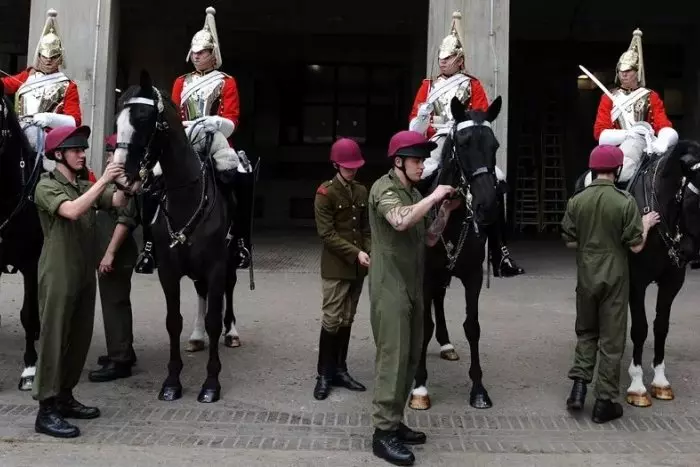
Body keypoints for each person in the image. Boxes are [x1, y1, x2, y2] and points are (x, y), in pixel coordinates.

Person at [135, 6, 256, 274]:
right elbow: (174, 111)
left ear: (213, 55)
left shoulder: (226, 81)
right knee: (151, 179)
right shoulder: (181, 81)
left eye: (202, 53)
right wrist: (184, 127)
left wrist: (215, 123)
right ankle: (149, 246)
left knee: (237, 176)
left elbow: (232, 119)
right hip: (186, 136)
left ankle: (239, 240)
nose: (196, 57)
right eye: (194, 53)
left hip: (215, 136)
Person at [368, 130, 462, 465]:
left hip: (412, 287)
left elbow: (430, 239)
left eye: (424, 160)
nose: (423, 166)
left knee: (409, 359)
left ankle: (394, 423)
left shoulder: (412, 191)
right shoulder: (385, 189)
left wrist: (445, 211)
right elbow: (400, 221)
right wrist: (434, 195)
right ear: (399, 162)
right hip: (389, 288)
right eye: (417, 160)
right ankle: (382, 434)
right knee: (392, 360)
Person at [408, 10, 523, 278]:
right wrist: (424, 114)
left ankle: (500, 252)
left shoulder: (473, 85)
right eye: (441, 58)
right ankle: (413, 237)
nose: (442, 62)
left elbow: (481, 118)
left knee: (497, 181)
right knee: (419, 176)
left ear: (460, 60)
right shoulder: (427, 87)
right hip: (437, 142)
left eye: (448, 58)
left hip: (466, 141)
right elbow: (414, 126)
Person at [32, 125, 127, 438]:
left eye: (83, 149)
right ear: (58, 154)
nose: (83, 154)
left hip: (84, 271)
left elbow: (117, 203)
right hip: (58, 272)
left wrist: (130, 182)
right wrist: (103, 180)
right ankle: (46, 409)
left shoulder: (84, 183)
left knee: (80, 337)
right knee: (54, 338)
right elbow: (71, 211)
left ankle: (65, 396)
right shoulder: (46, 186)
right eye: (75, 150)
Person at [561, 145, 660, 424]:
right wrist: (646, 224)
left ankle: (578, 389)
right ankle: (604, 401)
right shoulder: (625, 201)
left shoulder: (577, 201)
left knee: (586, 332)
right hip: (615, 277)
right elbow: (637, 246)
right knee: (612, 340)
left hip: (586, 276)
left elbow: (569, 240)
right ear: (617, 170)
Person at [313, 138, 371, 400]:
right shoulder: (326, 193)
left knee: (348, 318)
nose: (352, 170)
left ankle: (341, 369)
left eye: (354, 166)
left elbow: (367, 229)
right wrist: (357, 253)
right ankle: (324, 374)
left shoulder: (361, 191)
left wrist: (369, 250)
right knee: (332, 319)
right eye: (347, 167)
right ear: (336, 165)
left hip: (358, 267)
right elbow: (327, 235)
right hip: (337, 267)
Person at [592, 28, 678, 184]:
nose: (623, 74)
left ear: (637, 72)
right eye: (620, 70)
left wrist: (661, 143)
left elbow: (663, 124)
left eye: (628, 70)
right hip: (616, 150)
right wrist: (628, 134)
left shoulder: (650, 96)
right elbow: (600, 133)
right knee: (621, 173)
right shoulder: (608, 98)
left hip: (648, 147)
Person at [88, 134, 139, 383]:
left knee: (115, 304)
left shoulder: (127, 178)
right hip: (109, 251)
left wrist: (109, 254)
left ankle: (120, 360)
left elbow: (125, 220)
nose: (109, 156)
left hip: (116, 254)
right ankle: (121, 351)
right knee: (115, 303)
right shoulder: (117, 175)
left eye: (112, 151)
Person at [1, 9, 81, 149]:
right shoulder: (28, 75)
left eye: (53, 57)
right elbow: (5, 85)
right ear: (39, 56)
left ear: (60, 57)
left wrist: (49, 118)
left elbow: (75, 121)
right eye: (45, 56)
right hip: (17, 129)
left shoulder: (69, 86)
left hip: (46, 136)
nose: (48, 61)